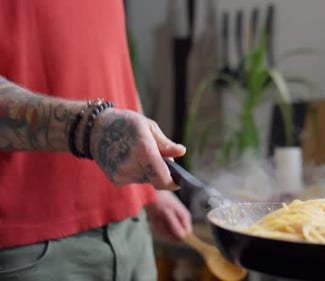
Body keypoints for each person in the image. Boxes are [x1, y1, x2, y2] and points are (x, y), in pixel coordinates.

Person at [0, 1, 192, 280]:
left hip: (132, 228)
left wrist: (153, 191)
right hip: (28, 249)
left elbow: (109, 62)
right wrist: (89, 127)